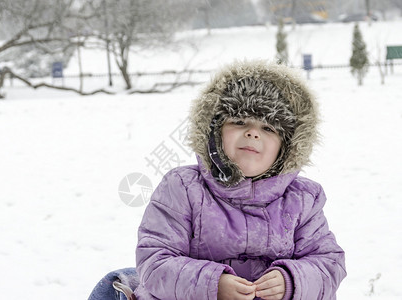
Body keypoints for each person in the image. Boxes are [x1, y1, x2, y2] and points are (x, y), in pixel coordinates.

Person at [132, 60, 346, 300]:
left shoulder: (303, 200)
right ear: (214, 131)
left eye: (268, 128)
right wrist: (212, 285)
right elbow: (155, 261)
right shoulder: (182, 188)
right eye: (239, 121)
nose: (252, 133)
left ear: (287, 147)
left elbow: (329, 264)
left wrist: (291, 281)